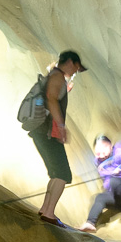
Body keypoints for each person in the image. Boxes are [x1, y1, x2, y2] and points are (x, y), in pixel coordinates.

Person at [30, 50, 87, 227]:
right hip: (48, 132)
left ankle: (45, 209)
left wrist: (64, 90)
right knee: (63, 174)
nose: (76, 72)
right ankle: (48, 213)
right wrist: (61, 126)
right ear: (70, 62)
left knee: (56, 173)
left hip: (42, 131)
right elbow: (52, 99)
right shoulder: (57, 77)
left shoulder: (54, 77)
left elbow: (53, 96)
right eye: (76, 68)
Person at [78, 135, 121, 234]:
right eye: (98, 152)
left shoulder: (119, 152)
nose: (101, 155)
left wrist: (120, 167)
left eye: (104, 150)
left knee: (115, 181)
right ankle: (90, 223)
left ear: (111, 146)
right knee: (99, 197)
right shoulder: (98, 162)